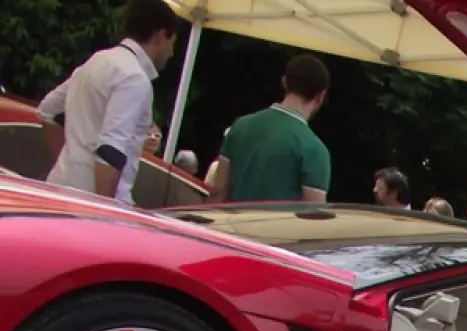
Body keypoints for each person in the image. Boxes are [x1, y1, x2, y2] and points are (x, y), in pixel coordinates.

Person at [35, 0, 181, 205]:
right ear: (160, 36)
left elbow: (47, 111)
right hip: (91, 208)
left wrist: (69, 163)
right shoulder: (134, 78)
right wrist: (105, 213)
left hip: (59, 189)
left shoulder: (96, 61)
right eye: (172, 43)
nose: (172, 53)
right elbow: (110, 150)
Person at [208, 54, 332, 204]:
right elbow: (312, 217)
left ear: (284, 82)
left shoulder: (240, 126)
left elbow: (217, 193)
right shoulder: (314, 150)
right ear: (320, 96)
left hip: (229, 225)